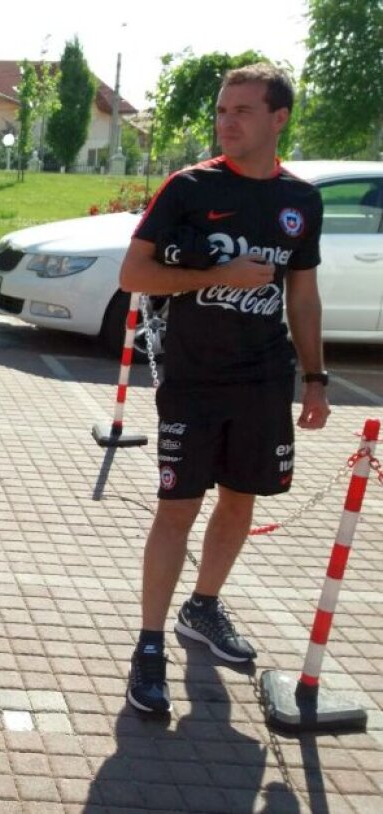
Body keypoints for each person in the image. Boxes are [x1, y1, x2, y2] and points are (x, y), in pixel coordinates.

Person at [119, 63, 329, 715]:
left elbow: (303, 293)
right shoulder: (189, 188)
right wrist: (224, 276)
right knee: (177, 508)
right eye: (220, 110)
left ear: (278, 118)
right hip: (193, 379)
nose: (226, 121)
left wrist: (316, 379)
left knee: (240, 502)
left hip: (264, 381)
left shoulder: (301, 201)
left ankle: (202, 607)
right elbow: (134, 273)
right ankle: (149, 645)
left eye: (241, 110)